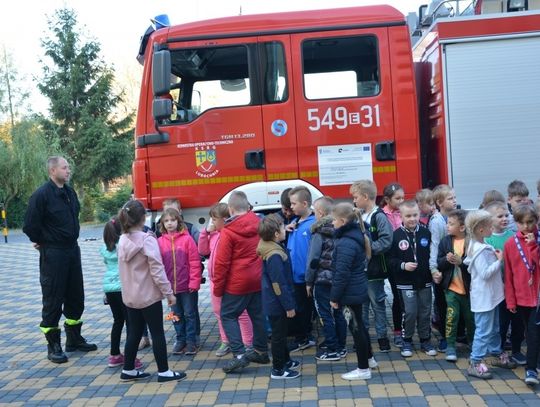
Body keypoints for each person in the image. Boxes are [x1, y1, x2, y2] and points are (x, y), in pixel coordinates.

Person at [23, 156, 97, 364]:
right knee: (53, 297)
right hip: (53, 253)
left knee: (76, 295)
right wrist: (41, 241)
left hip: (72, 250)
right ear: (52, 171)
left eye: (68, 167)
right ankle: (53, 345)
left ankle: (74, 339)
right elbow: (30, 225)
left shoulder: (69, 192)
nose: (68, 170)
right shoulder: (41, 195)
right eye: (64, 167)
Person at [117, 199, 186, 382]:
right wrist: (168, 292)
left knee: (134, 332)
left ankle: (128, 369)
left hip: (130, 296)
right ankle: (163, 371)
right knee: (157, 333)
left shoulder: (122, 240)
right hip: (148, 296)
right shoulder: (147, 240)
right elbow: (157, 269)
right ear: (143, 218)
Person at [213, 191, 270, 373]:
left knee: (228, 315)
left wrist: (218, 289)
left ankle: (239, 355)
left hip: (237, 283)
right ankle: (261, 351)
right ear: (248, 207)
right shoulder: (259, 224)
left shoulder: (228, 232)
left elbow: (222, 264)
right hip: (257, 278)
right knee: (258, 315)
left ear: (230, 209)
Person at [464, 210, 516, 380]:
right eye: (489, 226)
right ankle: (475, 361)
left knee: (493, 328)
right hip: (484, 298)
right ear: (480, 229)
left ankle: (496, 352)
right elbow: (485, 273)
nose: (491, 228)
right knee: (484, 330)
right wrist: (499, 261)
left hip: (490, 296)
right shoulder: (480, 250)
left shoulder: (480, 244)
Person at [198, 203, 253, 357]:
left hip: (229, 281)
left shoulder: (229, 234)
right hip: (215, 280)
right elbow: (203, 251)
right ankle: (226, 341)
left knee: (240, 313)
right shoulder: (213, 235)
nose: (212, 222)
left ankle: (248, 342)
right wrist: (205, 233)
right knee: (218, 312)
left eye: (214, 219)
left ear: (224, 219)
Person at [330, 202, 377, 380]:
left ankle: (363, 369)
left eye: (334, 220)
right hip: (356, 289)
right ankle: (370, 359)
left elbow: (341, 273)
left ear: (342, 221)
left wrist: (334, 297)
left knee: (356, 329)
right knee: (360, 326)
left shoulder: (345, 243)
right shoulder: (356, 234)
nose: (332, 223)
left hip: (349, 293)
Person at [389, 200, 437, 358]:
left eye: (415, 215)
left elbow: (432, 254)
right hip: (405, 282)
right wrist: (403, 265)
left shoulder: (426, 232)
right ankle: (407, 340)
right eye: (408, 215)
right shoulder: (396, 235)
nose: (412, 218)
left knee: (424, 312)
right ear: (401, 216)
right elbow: (391, 260)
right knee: (409, 312)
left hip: (424, 280)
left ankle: (425, 340)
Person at [350, 180, 393, 351]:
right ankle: (363, 338)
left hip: (374, 270)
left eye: (355, 197)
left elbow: (386, 241)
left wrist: (367, 249)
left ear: (366, 197)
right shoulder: (357, 215)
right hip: (360, 272)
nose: (353, 201)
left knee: (378, 304)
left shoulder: (379, 216)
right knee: (363, 306)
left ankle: (383, 338)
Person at [257, 214, 300, 379]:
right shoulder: (274, 254)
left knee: (281, 332)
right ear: (276, 233)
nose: (285, 229)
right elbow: (278, 283)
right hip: (277, 303)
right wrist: (288, 305)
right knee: (278, 336)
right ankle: (278, 369)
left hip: (274, 301)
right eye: (283, 228)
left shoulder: (270, 245)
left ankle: (286, 360)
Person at [305, 196, 347, 360]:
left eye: (315, 211)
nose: (314, 214)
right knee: (338, 312)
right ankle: (341, 345)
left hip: (322, 280)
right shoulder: (341, 230)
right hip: (338, 279)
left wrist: (309, 281)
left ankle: (332, 348)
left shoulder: (318, 233)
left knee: (325, 314)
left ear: (321, 213)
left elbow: (312, 260)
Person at [503, 204, 540, 385]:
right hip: (522, 297)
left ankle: (531, 369)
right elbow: (508, 274)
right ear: (516, 223)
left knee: (533, 333)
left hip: (538, 297)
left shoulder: (538, 240)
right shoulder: (510, 243)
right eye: (521, 223)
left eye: (530, 222)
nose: (526, 227)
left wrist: (533, 246)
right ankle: (533, 364)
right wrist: (511, 300)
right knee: (530, 332)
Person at [485, 201, 525, 365]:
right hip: (497, 289)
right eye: (500, 216)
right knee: (501, 322)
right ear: (489, 219)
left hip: (515, 287)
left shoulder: (514, 237)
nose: (504, 219)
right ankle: (498, 350)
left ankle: (516, 350)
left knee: (517, 320)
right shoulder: (487, 240)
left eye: (507, 215)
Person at [157, 207, 201, 355]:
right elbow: (158, 266)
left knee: (189, 314)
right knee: (175, 315)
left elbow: (195, 262)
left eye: (173, 220)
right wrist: (162, 287)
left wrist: (194, 282)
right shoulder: (160, 242)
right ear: (162, 224)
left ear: (178, 221)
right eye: (166, 221)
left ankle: (191, 341)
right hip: (170, 289)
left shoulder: (187, 239)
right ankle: (180, 339)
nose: (170, 223)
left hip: (187, 286)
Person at [101, 217, 143, 369]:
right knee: (131, 322)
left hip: (109, 288)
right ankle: (131, 358)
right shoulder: (123, 247)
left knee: (118, 321)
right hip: (123, 287)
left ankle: (114, 355)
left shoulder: (105, 250)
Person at [437, 209, 474, 362]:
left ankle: (474, 344)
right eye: (447, 223)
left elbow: (475, 266)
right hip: (451, 288)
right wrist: (446, 260)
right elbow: (439, 262)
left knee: (470, 318)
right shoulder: (445, 241)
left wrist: (462, 263)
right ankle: (451, 346)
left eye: (451, 224)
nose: (447, 226)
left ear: (462, 227)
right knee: (451, 317)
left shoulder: (471, 242)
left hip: (468, 290)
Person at [286, 186, 317, 352]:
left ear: (304, 204)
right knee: (300, 306)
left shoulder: (313, 225)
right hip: (294, 275)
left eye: (293, 203)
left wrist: (309, 276)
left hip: (305, 276)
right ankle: (304, 335)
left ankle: (303, 337)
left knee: (304, 308)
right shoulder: (295, 223)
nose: (291, 207)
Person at [429, 184, 458, 352]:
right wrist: (434, 270)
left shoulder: (455, 217)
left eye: (455, 197)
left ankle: (456, 334)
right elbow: (434, 247)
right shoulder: (437, 222)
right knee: (442, 304)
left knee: (454, 302)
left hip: (455, 266)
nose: (454, 201)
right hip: (442, 268)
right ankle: (444, 337)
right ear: (439, 202)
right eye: (450, 198)